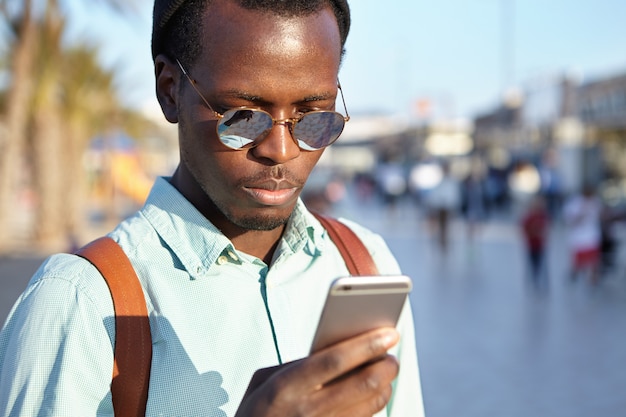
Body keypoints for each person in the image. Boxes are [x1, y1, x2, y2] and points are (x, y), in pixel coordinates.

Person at [0, 1, 424, 416]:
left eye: (314, 116)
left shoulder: (364, 267)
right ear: (170, 90)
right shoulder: (80, 303)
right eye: (242, 117)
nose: (281, 150)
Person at [563, 186, 603, 284]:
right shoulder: (575, 203)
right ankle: (574, 275)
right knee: (579, 262)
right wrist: (582, 213)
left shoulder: (595, 202)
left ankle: (593, 279)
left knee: (594, 260)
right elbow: (571, 220)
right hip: (579, 238)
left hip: (592, 236)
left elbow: (600, 215)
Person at [520, 195, 550, 289]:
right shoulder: (528, 217)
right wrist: (533, 232)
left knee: (542, 263)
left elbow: (547, 228)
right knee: (533, 263)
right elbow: (524, 229)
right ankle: (534, 279)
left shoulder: (543, 216)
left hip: (541, 244)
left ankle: (542, 281)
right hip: (531, 244)